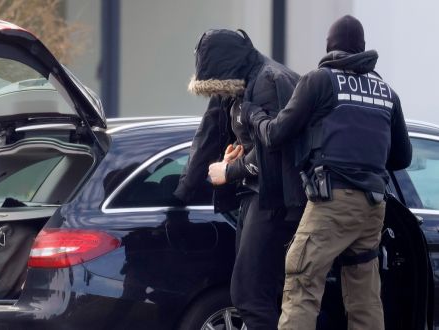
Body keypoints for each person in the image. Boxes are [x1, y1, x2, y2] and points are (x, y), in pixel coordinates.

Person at [246, 15, 412, 330]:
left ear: (329, 46)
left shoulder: (320, 80)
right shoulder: (387, 93)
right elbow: (402, 157)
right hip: (373, 207)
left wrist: (255, 116)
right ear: (362, 48)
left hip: (332, 200)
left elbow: (276, 134)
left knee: (302, 281)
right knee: (365, 296)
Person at [175, 29, 304, 329]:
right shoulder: (240, 83)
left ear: (225, 70)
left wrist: (229, 171)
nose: (217, 96)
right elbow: (211, 133)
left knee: (249, 295)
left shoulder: (268, 83)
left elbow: (277, 151)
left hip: (272, 200)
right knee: (256, 294)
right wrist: (237, 154)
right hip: (258, 196)